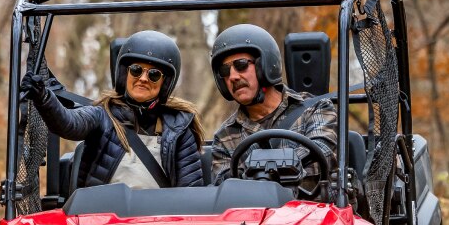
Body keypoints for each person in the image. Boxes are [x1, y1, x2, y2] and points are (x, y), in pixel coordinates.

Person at [20, 30, 205, 190]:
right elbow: (68, 123)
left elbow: (191, 194)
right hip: (103, 217)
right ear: (125, 74)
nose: (143, 78)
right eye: (136, 70)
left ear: (165, 83)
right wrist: (44, 97)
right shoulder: (103, 114)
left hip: (159, 219)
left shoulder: (179, 129)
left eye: (154, 74)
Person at [208, 24, 338, 184]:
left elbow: (321, 160)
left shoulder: (315, 109)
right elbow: (225, 187)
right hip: (252, 202)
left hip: (308, 201)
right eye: (225, 71)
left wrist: (254, 173)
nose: (233, 76)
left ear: (266, 66)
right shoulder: (225, 136)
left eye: (241, 65)